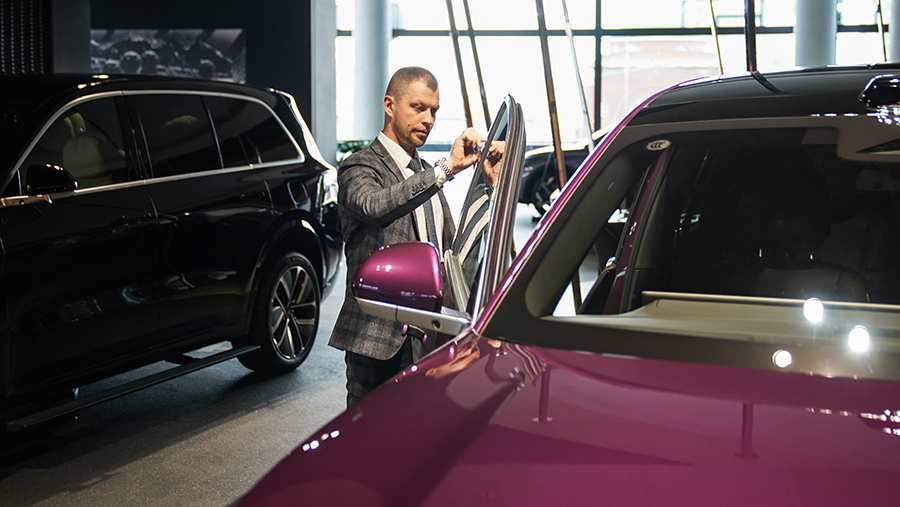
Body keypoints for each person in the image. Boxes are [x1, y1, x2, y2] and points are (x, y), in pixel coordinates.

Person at [329, 66, 494, 406]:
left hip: (430, 336)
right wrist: (446, 169)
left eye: (434, 110)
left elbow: (452, 252)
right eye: (418, 107)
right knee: (371, 434)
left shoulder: (425, 174)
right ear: (389, 105)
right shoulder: (359, 167)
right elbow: (375, 206)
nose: (428, 119)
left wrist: (489, 185)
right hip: (378, 340)